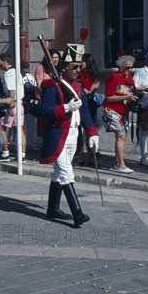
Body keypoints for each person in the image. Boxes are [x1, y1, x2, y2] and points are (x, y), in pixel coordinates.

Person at [40, 43, 98, 228]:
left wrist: (92, 132)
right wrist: (65, 107)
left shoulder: (77, 86)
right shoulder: (51, 85)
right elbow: (46, 111)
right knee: (66, 173)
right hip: (58, 135)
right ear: (64, 67)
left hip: (74, 134)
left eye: (79, 67)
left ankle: (53, 209)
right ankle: (78, 214)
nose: (78, 70)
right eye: (74, 67)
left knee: (59, 174)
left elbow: (86, 111)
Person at [102, 55, 138, 174]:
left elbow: (133, 89)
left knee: (123, 136)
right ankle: (121, 164)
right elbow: (109, 97)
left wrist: (142, 89)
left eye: (131, 68)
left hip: (123, 111)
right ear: (120, 67)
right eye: (127, 67)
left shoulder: (129, 77)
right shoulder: (114, 77)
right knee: (121, 135)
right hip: (112, 110)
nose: (129, 70)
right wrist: (127, 97)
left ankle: (118, 162)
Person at [0, 53, 26, 160]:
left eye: (0, 62)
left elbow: (12, 90)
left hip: (13, 103)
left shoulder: (8, 74)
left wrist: (10, 105)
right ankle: (22, 155)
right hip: (20, 103)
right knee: (20, 130)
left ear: (5, 62)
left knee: (2, 128)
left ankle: (5, 152)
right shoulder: (16, 72)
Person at [77, 53, 101, 164]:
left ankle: (90, 155)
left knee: (89, 128)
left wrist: (89, 90)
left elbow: (92, 90)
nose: (80, 63)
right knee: (78, 131)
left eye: (82, 61)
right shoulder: (78, 73)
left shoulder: (93, 75)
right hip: (78, 102)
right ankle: (80, 155)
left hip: (89, 103)